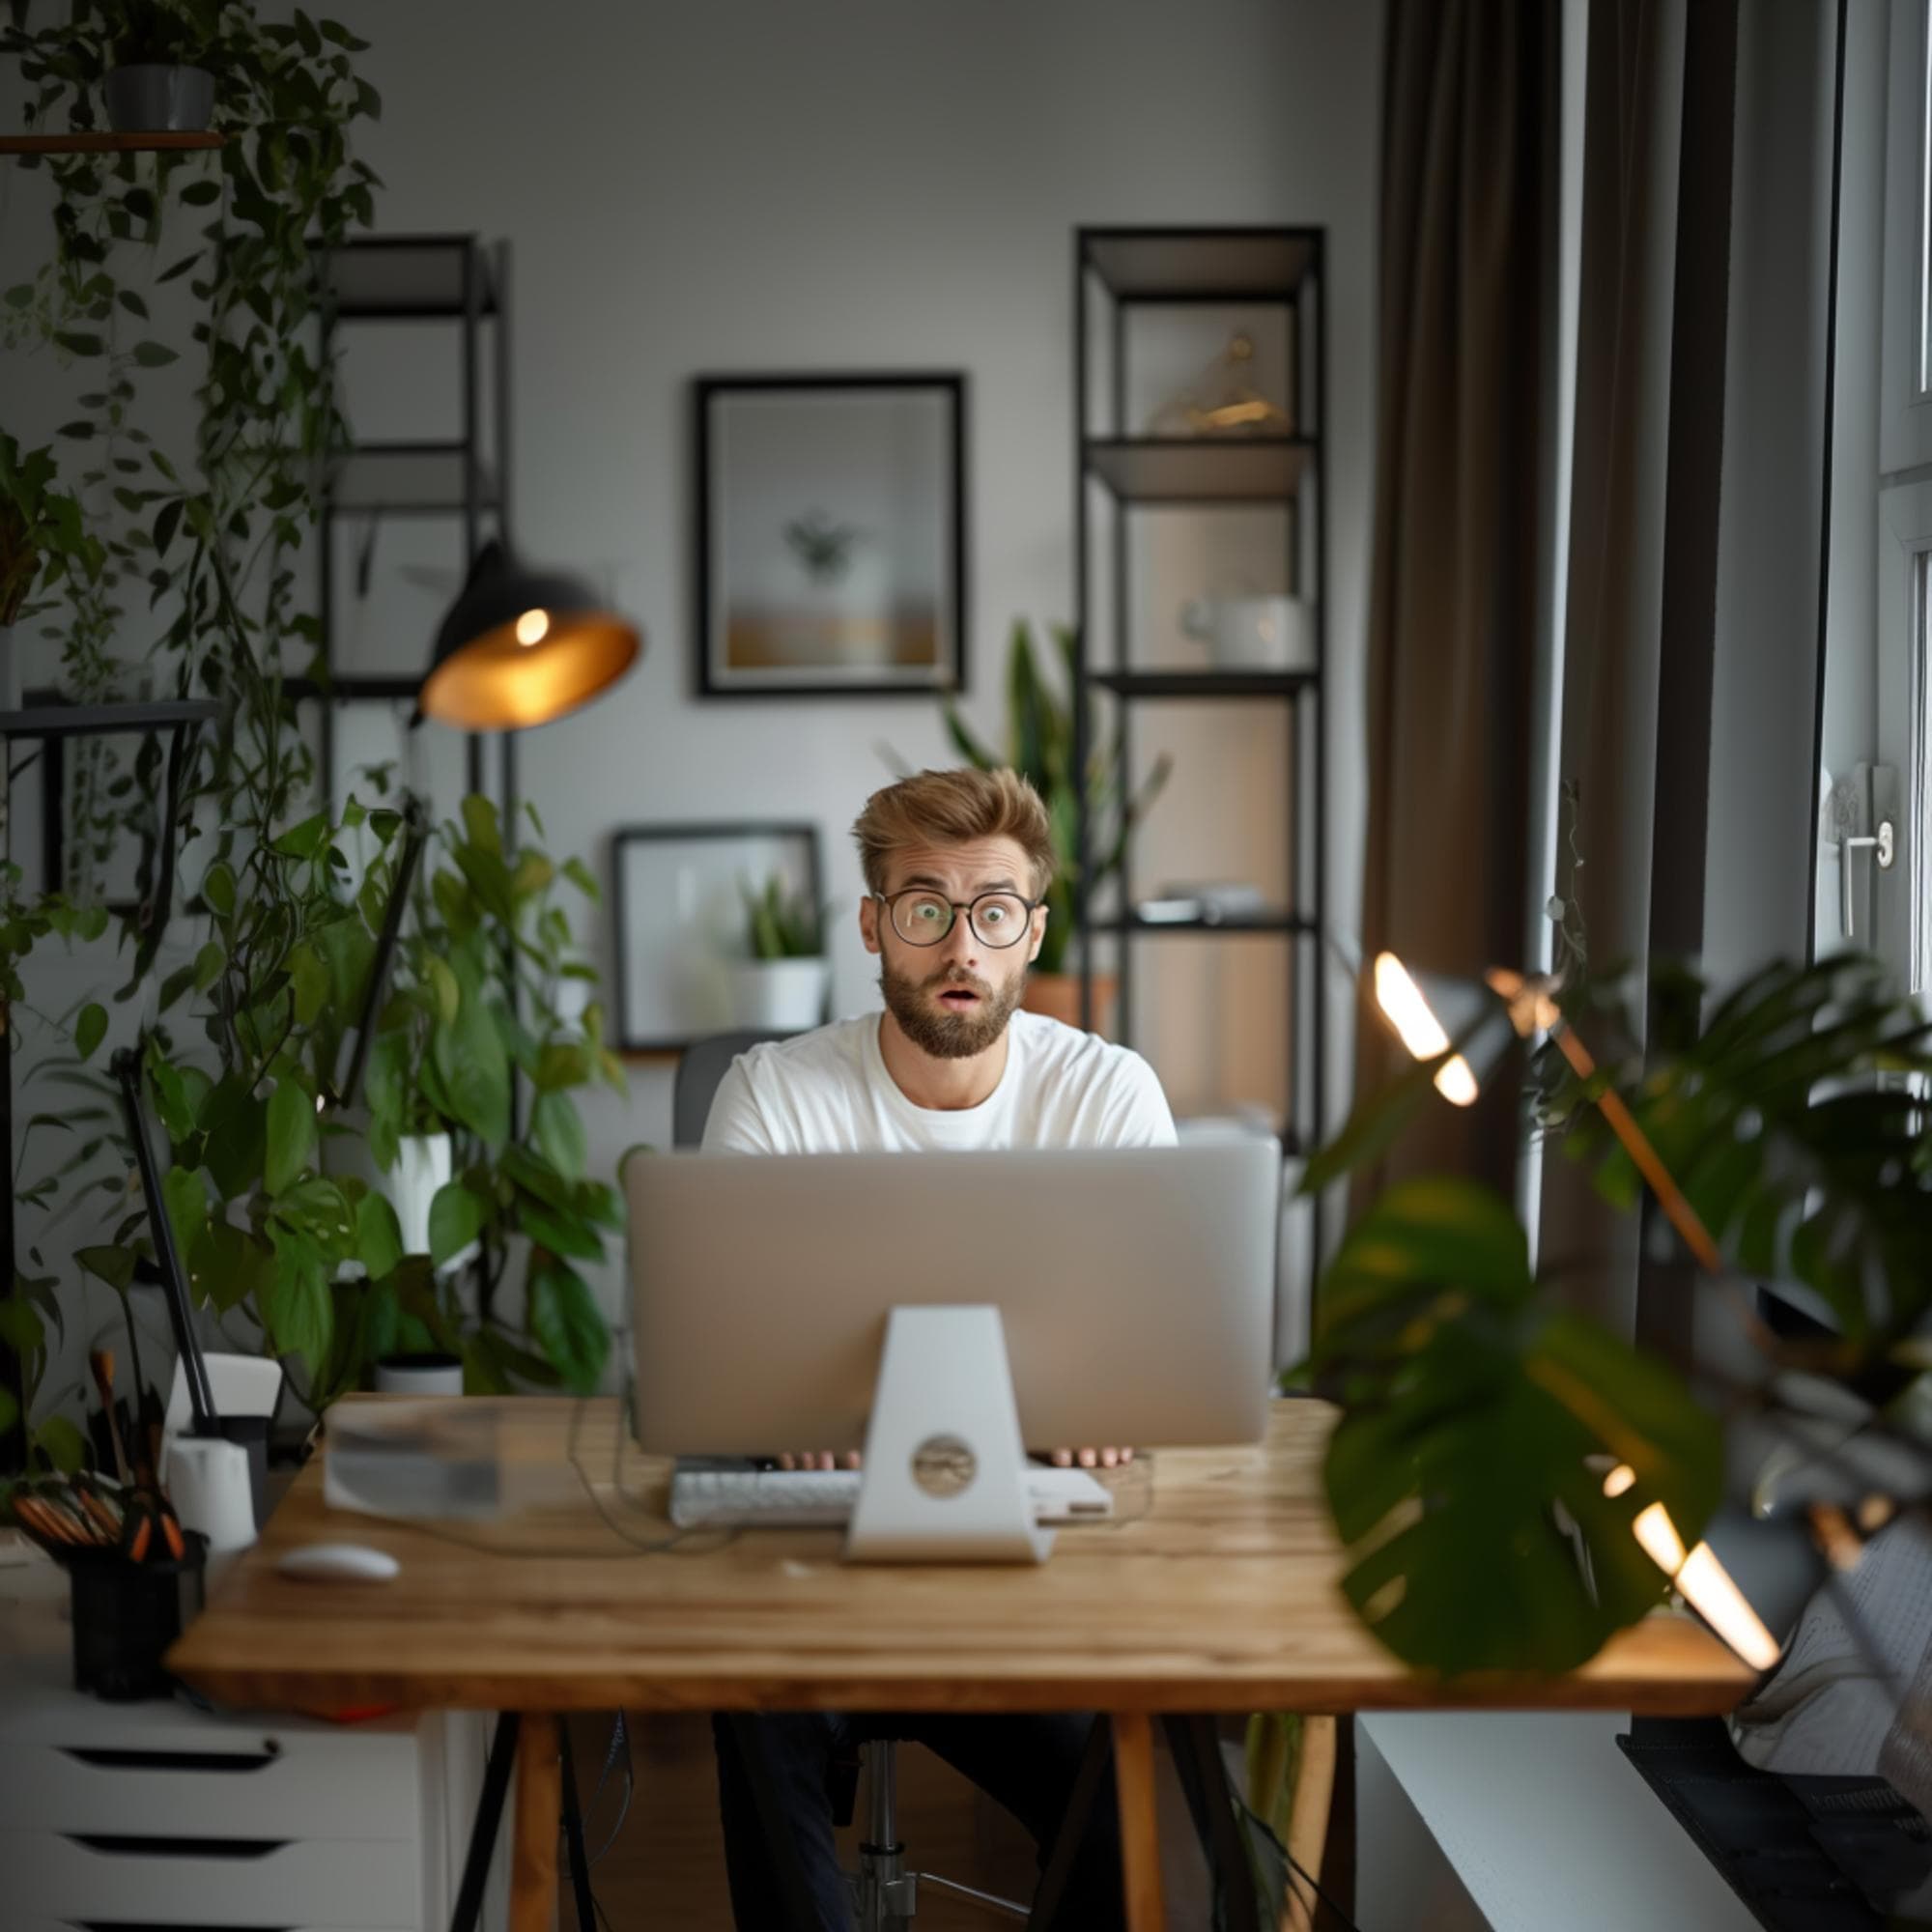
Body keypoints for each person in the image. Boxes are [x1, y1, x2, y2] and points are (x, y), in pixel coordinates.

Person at [702, 764, 1177, 1930]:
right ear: (872, 924)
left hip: (1035, 1586)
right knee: (749, 1698)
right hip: (814, 1573)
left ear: (1030, 932)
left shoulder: (1110, 1098)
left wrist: (1121, 1392)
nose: (959, 944)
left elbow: (1166, 1340)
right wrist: (775, 1404)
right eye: (924, 907)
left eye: (992, 910)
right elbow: (722, 1339)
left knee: (1121, 1790)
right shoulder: (770, 1096)